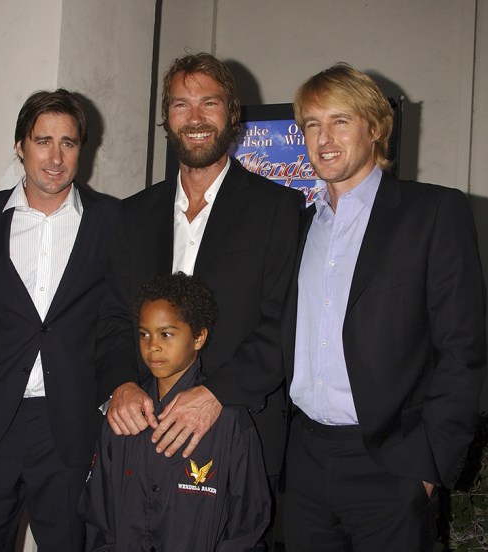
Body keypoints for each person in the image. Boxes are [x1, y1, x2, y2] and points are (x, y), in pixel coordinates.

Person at [281, 63, 487, 552]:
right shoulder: (299, 225)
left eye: (340, 121)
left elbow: (461, 349)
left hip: (391, 464)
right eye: (312, 124)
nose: (323, 137)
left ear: (375, 128)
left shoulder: (434, 213)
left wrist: (426, 466)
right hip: (306, 461)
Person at [105, 52, 303, 521]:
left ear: (231, 115)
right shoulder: (131, 215)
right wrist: (120, 385)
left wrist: (214, 394)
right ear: (166, 119)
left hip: (238, 432)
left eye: (209, 103)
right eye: (180, 104)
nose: (194, 118)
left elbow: (285, 323)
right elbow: (111, 316)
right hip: (143, 435)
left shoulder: (279, 210)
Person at [0, 89, 134, 551]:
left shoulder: (112, 219)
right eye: (43, 140)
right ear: (20, 145)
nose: (55, 156)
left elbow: (119, 319)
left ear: (81, 150)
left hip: (68, 426)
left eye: (68, 142)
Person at [80, 273, 271, 551]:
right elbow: (99, 518)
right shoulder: (122, 416)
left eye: (166, 334)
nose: (153, 345)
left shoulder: (229, 421)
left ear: (198, 337)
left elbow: (248, 524)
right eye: (144, 334)